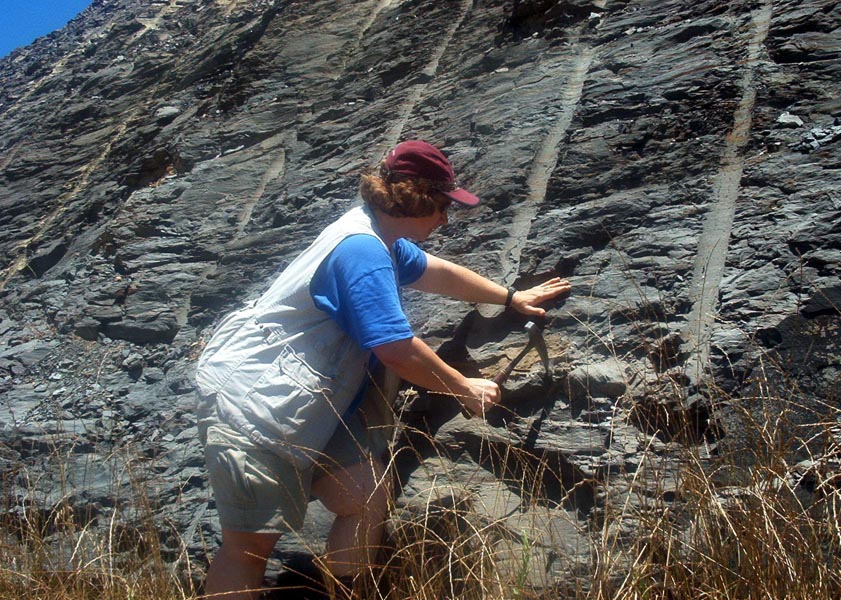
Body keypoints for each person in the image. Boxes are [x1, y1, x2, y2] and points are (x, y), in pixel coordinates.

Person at [194, 140, 571, 599]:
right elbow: (395, 348)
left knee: (366, 495)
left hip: (302, 399)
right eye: (443, 206)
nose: (446, 219)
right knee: (248, 548)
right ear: (418, 199)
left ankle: (345, 592)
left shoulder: (378, 235)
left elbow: (435, 272)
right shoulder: (362, 251)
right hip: (256, 407)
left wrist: (510, 298)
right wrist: (463, 387)